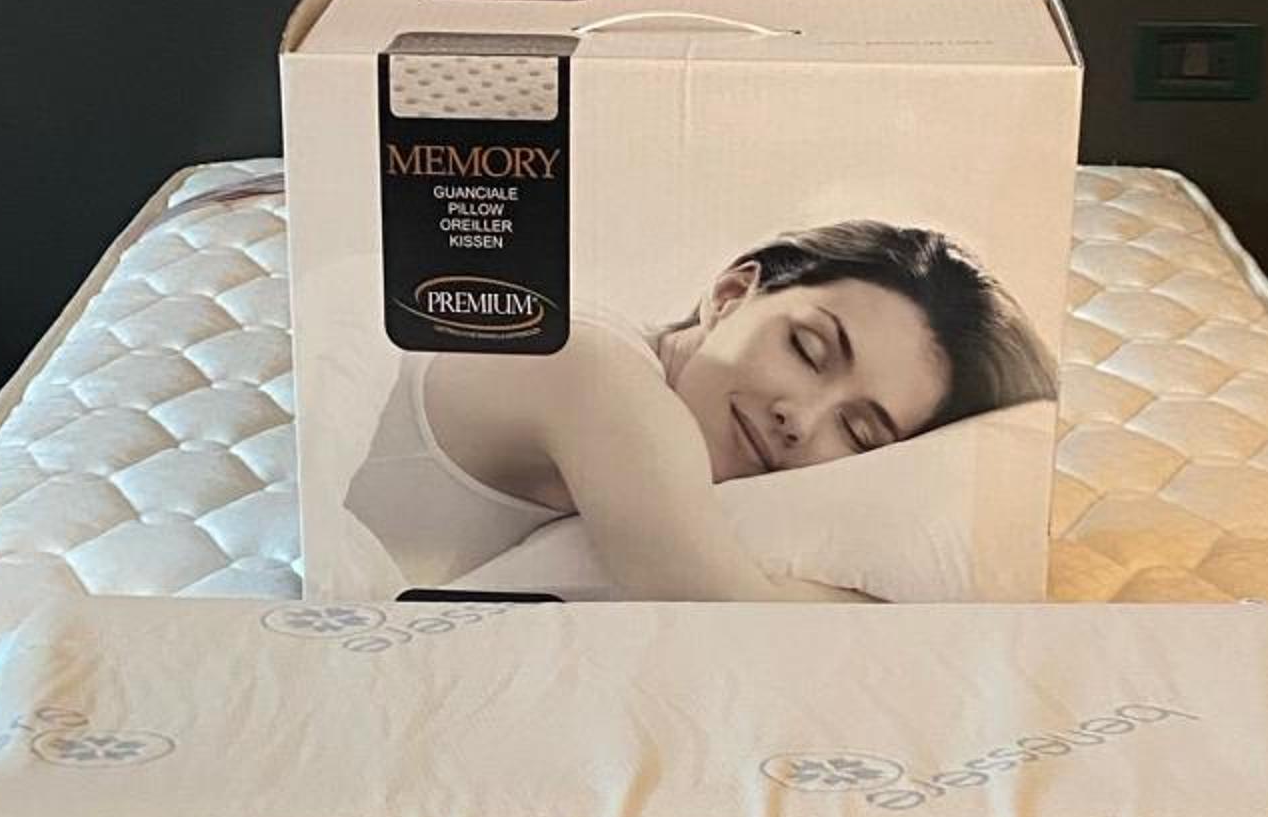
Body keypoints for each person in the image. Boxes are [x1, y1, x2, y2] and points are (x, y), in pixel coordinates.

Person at [344, 221, 1055, 599]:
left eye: (859, 431)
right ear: (731, 295)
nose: (801, 418)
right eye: (807, 349)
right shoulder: (598, 376)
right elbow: (729, 619)